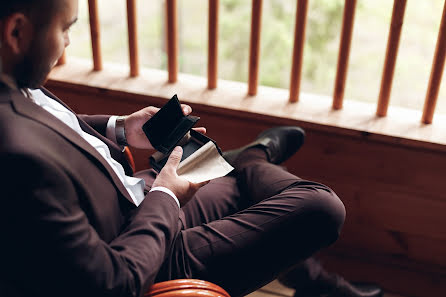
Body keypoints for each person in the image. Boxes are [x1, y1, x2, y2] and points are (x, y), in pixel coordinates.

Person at [0, 1, 382, 297]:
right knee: (319, 207)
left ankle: (315, 280)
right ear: (17, 32)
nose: (68, 41)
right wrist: (166, 194)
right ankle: (251, 158)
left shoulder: (12, 76)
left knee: (239, 187)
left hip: (132, 198)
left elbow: (48, 123)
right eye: (66, 28)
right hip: (146, 255)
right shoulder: (16, 160)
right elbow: (114, 283)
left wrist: (120, 128)